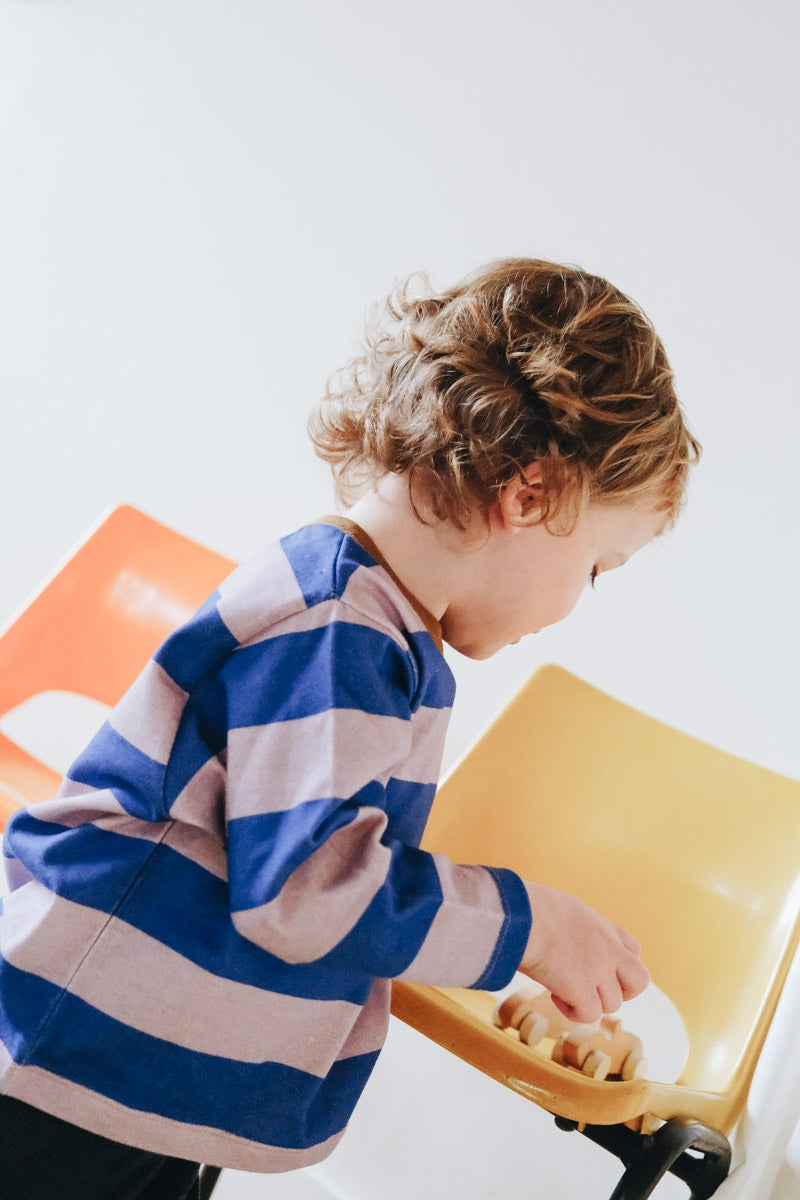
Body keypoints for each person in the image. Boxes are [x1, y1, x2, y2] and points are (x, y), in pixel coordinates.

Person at [0, 257, 699, 1199]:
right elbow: (310, 887)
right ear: (531, 494)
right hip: (74, 1068)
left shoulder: (377, 630)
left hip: (131, 1073)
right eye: (599, 567)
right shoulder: (338, 625)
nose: (578, 601)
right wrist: (532, 926)